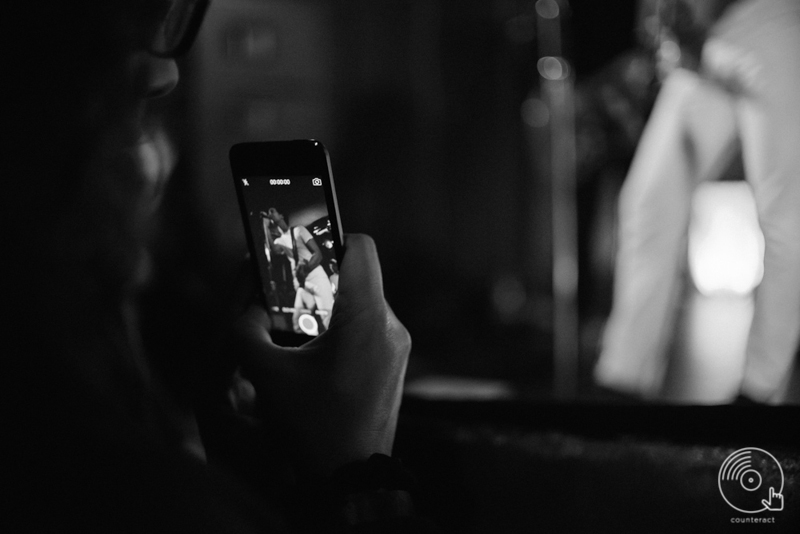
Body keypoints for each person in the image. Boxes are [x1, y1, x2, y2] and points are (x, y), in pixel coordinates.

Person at [3, 1, 435, 531]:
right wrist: (362, 477)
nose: (167, 71)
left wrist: (253, 492)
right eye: (112, 31)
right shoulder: (117, 482)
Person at [594, 0, 800, 404]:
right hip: (703, 36)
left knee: (784, 219)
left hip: (766, 19)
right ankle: (623, 379)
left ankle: (759, 392)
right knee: (648, 202)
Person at [263, 207, 336, 331]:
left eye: (272, 211)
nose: (270, 214)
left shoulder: (299, 230)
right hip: (302, 281)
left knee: (327, 317)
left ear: (281, 215)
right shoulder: (280, 240)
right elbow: (273, 249)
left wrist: (305, 269)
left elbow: (318, 254)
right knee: (298, 320)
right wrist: (265, 226)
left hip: (316, 276)